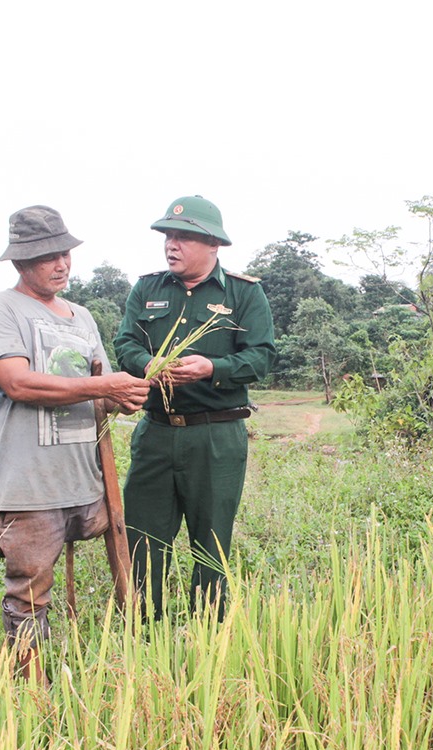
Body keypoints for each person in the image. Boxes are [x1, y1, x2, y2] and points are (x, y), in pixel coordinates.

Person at [0, 205, 150, 678]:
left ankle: (124, 666)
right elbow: (19, 383)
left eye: (65, 253)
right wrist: (105, 387)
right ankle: (27, 694)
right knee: (28, 595)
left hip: (87, 481)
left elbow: (99, 387)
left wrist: (123, 395)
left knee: (122, 570)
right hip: (30, 486)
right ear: (20, 262)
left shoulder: (82, 317)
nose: (61, 264)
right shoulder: (0, 309)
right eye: (47, 256)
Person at [115, 195, 276, 622]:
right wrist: (146, 364)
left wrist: (212, 368)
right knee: (144, 539)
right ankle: (144, 633)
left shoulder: (244, 293)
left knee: (211, 542)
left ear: (213, 245)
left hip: (216, 437)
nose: (172, 244)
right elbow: (125, 343)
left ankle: (208, 634)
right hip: (156, 432)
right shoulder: (146, 288)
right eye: (168, 235)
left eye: (184, 237)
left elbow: (261, 357)